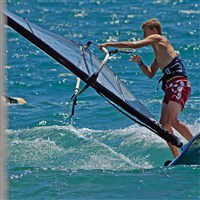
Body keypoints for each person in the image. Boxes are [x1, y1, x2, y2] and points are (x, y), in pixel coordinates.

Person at [99, 18, 193, 158]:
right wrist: (140, 63)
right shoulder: (158, 55)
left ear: (153, 31)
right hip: (170, 88)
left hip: (179, 84)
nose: (144, 36)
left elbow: (133, 45)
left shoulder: (159, 38)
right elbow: (150, 73)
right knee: (164, 123)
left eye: (145, 32)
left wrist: (108, 44)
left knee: (173, 120)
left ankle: (195, 144)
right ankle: (177, 156)